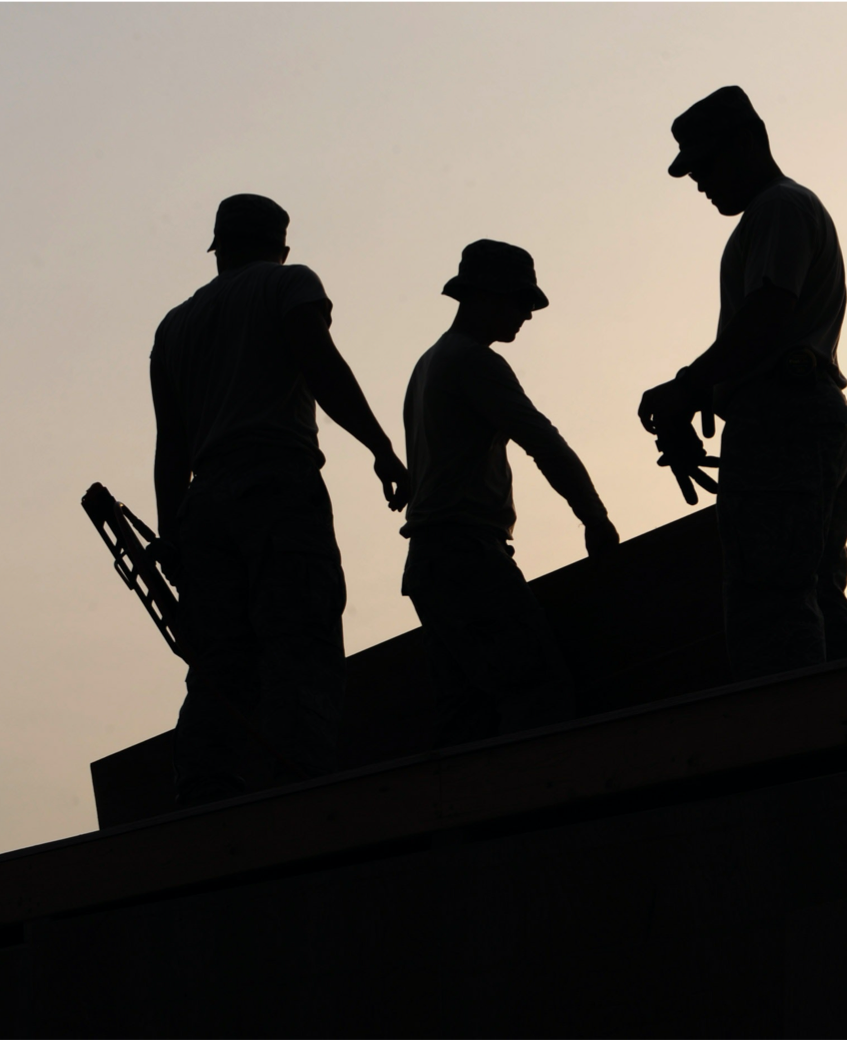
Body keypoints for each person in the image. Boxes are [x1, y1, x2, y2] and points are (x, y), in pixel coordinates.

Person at [150, 193, 410, 806]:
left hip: (203, 505)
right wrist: (380, 447)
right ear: (280, 246)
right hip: (275, 485)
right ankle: (304, 795)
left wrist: (171, 538)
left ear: (219, 250)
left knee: (217, 664)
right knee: (300, 639)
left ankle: (204, 795)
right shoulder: (289, 284)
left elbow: (170, 448)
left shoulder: (173, 326)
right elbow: (320, 367)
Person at [639, 86, 847, 681]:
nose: (699, 183)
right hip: (803, 417)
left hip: (786, 420)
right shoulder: (775, 216)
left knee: (772, 602)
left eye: (705, 165)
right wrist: (705, 397)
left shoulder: (778, 207)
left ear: (748, 142)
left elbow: (768, 312)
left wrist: (689, 388)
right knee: (814, 591)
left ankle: (796, 748)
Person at [400, 240, 619, 747]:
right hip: (466, 556)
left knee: (466, 712)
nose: (527, 314)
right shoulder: (473, 363)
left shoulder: (428, 363)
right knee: (537, 693)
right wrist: (595, 517)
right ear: (484, 297)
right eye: (519, 302)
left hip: (431, 563)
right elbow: (543, 442)